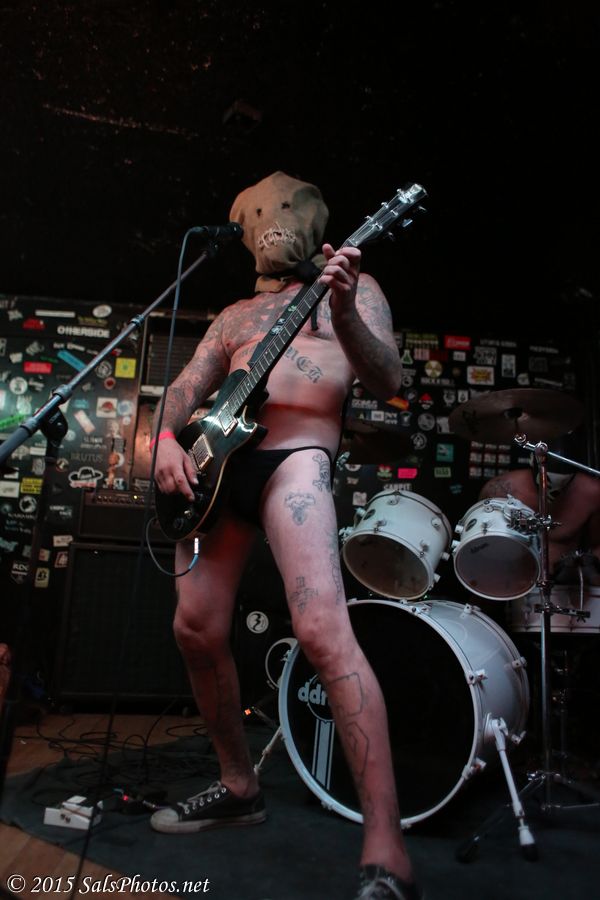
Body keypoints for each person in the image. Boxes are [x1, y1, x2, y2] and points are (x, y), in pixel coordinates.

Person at [149, 172, 422, 900]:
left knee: (323, 631)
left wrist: (344, 309)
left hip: (295, 459)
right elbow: (185, 387)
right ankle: (239, 785)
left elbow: (388, 379)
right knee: (195, 628)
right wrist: (163, 442)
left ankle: (387, 849)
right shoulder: (236, 314)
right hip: (218, 468)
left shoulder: (354, 288)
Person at [478, 450, 600, 577]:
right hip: (510, 577)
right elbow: (481, 542)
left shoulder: (591, 492)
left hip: (563, 580)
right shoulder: (501, 489)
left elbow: (596, 547)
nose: (550, 491)